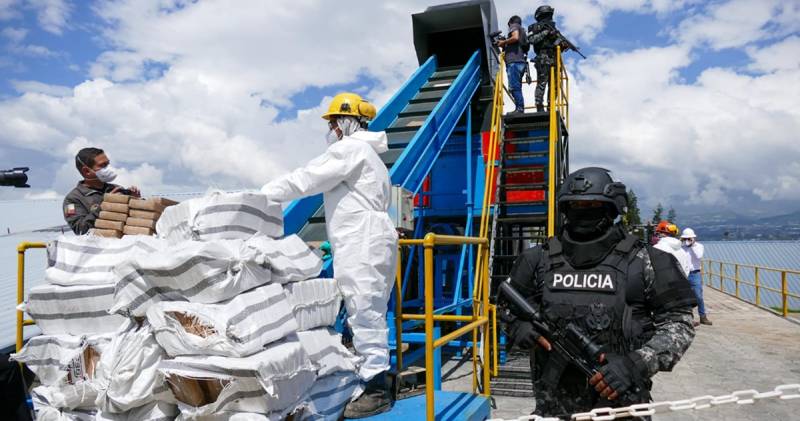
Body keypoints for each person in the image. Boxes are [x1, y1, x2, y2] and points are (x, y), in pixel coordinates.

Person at [501, 167, 696, 418]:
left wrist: (637, 362)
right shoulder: (537, 260)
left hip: (621, 404)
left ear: (611, 208)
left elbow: (679, 324)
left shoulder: (646, 261)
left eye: (593, 205)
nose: (583, 211)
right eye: (576, 205)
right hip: (553, 407)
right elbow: (505, 307)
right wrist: (517, 326)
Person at [260, 93, 398, 418]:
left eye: (334, 122)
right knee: (368, 308)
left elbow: (305, 180)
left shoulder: (350, 149)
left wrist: (260, 195)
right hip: (370, 238)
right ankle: (377, 377)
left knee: (364, 309)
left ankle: (377, 387)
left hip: (362, 240)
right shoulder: (370, 156)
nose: (332, 129)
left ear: (346, 122)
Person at [63, 147, 140, 235]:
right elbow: (79, 229)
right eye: (103, 165)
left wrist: (136, 202)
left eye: (108, 164)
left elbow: (136, 221)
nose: (108, 168)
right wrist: (104, 206)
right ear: (86, 171)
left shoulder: (117, 189)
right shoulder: (71, 201)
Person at [528, 5, 558, 113]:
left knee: (555, 85)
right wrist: (546, 33)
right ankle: (539, 106)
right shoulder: (534, 27)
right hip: (542, 57)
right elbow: (531, 40)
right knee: (542, 83)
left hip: (554, 58)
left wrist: (561, 42)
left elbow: (557, 43)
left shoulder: (553, 28)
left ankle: (551, 106)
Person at [496, 15, 528, 114]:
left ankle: (519, 109)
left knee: (514, 87)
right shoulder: (522, 30)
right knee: (516, 87)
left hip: (514, 62)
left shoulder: (514, 26)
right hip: (520, 62)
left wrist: (503, 42)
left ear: (511, 22)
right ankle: (519, 107)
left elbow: (515, 37)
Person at [681, 228, 711, 326]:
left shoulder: (699, 246)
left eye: (689, 238)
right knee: (685, 297)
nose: (687, 240)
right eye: (685, 239)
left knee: (698, 296)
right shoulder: (681, 247)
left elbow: (699, 256)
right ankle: (690, 319)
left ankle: (703, 317)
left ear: (693, 238)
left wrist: (692, 245)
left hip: (695, 273)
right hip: (684, 273)